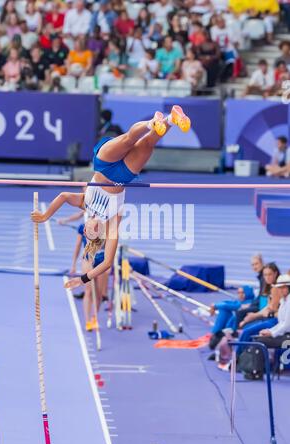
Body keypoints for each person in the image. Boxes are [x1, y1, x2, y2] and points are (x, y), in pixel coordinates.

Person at [31, 106, 191, 291]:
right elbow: (107, 262)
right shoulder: (112, 222)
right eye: (97, 233)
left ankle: (152, 122)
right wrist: (83, 279)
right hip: (123, 175)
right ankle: (172, 118)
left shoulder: (86, 205)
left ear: (85, 230)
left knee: (128, 140)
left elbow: (64, 196)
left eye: (90, 230)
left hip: (104, 164)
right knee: (147, 144)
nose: (94, 229)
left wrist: (45, 216)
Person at [70, 223, 108, 331]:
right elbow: (78, 245)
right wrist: (73, 264)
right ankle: (87, 321)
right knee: (88, 291)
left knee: (99, 294)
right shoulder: (82, 226)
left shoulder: (107, 226)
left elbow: (109, 245)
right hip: (88, 258)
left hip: (102, 259)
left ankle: (94, 318)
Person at [255, 274, 290, 347]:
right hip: (285, 334)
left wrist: (272, 333)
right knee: (258, 339)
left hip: (288, 336)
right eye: (279, 288)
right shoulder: (283, 301)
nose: (281, 290)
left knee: (261, 342)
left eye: (283, 288)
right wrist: (269, 331)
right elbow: (281, 323)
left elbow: (287, 325)